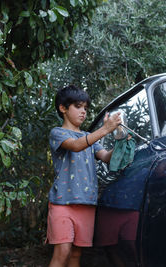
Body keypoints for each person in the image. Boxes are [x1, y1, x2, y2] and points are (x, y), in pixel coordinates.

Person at [46, 85, 121, 267]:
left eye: (86, 108)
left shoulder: (89, 136)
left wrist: (121, 143)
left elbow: (105, 157)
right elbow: (76, 145)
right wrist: (105, 129)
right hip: (62, 202)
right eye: (78, 107)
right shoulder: (58, 133)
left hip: (87, 203)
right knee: (62, 251)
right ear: (63, 108)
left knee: (76, 256)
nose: (83, 112)